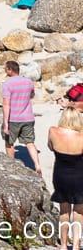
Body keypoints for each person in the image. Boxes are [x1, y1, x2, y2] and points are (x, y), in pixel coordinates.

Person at [51, 107, 83, 250]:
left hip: (60, 174)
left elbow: (51, 147)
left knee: (64, 209)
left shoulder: (53, 131)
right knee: (79, 210)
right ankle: (76, 244)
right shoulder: (82, 135)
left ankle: (63, 244)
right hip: (79, 175)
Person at [3, 60, 37, 152]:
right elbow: (32, 95)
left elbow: (6, 104)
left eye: (5, 69)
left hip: (13, 119)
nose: (5, 71)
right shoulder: (29, 81)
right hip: (28, 117)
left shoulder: (7, 83)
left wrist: (5, 123)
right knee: (30, 143)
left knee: (9, 143)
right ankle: (37, 165)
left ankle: (11, 164)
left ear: (10, 70)